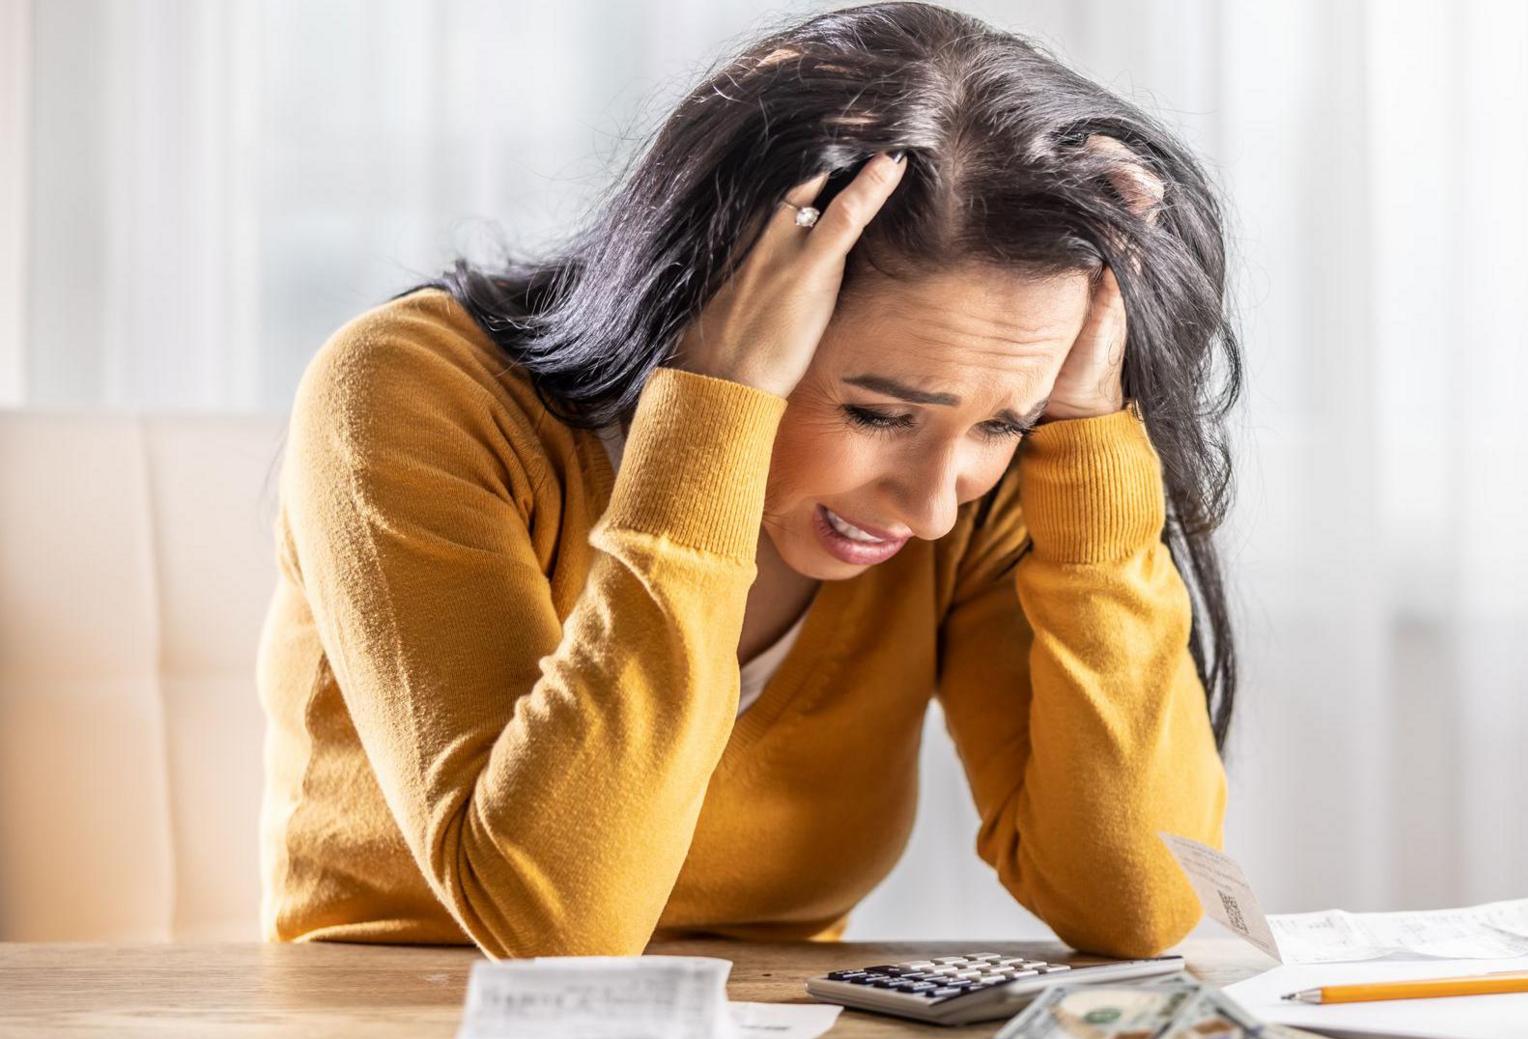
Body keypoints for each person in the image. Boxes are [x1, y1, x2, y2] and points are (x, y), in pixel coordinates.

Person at [257, 1, 1244, 960]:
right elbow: (553, 923)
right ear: (735, 293)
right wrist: (715, 409)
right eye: (875, 413)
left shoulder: (989, 487)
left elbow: (1142, 900)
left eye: (1002, 420)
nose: (936, 504)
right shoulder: (414, 392)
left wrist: (1087, 442)